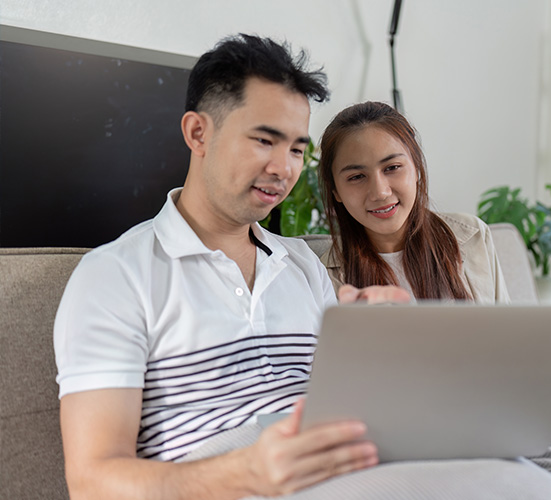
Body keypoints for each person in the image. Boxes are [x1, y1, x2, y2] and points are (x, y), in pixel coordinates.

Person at [54, 35, 408, 500]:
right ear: (198, 133)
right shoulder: (114, 276)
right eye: (265, 140)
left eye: (298, 149)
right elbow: (91, 483)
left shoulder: (301, 264)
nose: (284, 168)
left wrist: (384, 349)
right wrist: (245, 474)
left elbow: (340, 412)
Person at [317, 101, 551, 391]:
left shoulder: (470, 236)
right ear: (336, 192)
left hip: (488, 396)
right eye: (357, 176)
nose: (380, 192)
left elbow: (505, 334)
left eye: (393, 168)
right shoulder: (322, 275)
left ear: (417, 169)